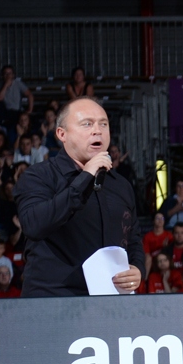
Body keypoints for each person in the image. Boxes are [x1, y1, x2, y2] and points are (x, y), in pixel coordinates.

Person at [17, 98, 143, 297]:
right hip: (53, 301)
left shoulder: (121, 184)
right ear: (62, 134)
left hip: (109, 303)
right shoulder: (38, 176)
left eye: (103, 124)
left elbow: (132, 237)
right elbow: (34, 225)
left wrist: (137, 269)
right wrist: (86, 177)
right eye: (87, 124)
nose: (97, 130)